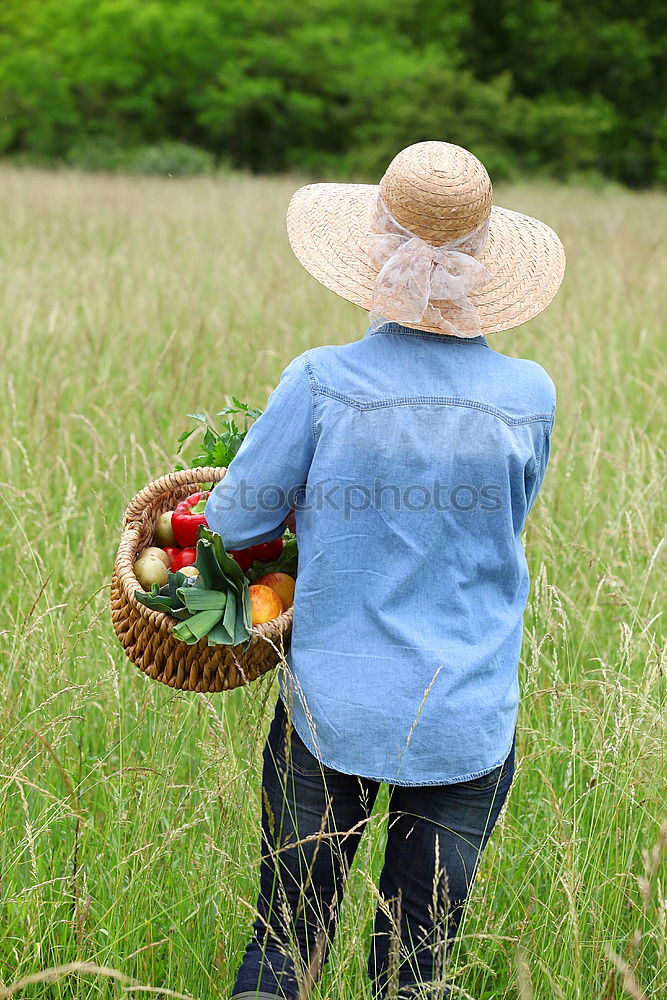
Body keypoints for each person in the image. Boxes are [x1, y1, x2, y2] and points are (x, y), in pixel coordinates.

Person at [205, 140, 565, 1000]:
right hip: (466, 713)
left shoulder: (322, 380)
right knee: (415, 971)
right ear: (483, 269)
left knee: (284, 945)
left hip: (331, 705)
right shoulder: (528, 394)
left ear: (374, 256)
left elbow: (229, 523)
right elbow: (499, 521)